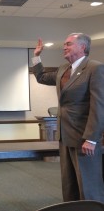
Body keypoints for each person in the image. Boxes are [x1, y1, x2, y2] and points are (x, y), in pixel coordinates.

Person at [32, 33, 104, 202]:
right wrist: (36, 57)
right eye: (64, 44)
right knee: (70, 185)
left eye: (69, 44)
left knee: (89, 186)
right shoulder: (64, 68)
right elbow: (42, 77)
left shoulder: (95, 68)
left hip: (84, 139)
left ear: (82, 47)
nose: (64, 46)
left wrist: (92, 139)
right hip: (65, 137)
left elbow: (99, 106)